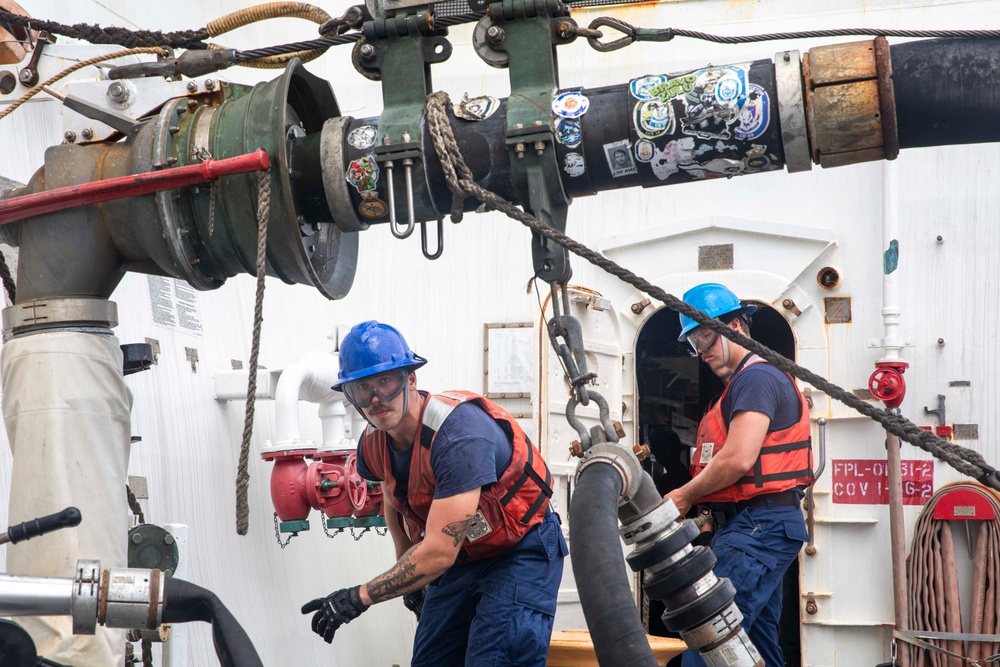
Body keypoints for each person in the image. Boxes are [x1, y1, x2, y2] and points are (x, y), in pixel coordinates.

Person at [302, 321, 567, 667]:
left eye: (386, 381)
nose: (376, 399)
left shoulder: (458, 436)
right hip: (464, 555)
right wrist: (407, 570)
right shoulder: (372, 442)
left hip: (520, 549)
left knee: (492, 659)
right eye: (362, 389)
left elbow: (440, 552)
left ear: (411, 380)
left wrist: (360, 597)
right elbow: (391, 495)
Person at [665, 284, 814, 667]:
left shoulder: (756, 379)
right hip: (756, 528)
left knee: (709, 641)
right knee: (758, 647)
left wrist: (683, 496)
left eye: (704, 336)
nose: (701, 351)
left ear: (735, 326)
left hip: (758, 530)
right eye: (694, 342)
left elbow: (737, 459)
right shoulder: (745, 383)